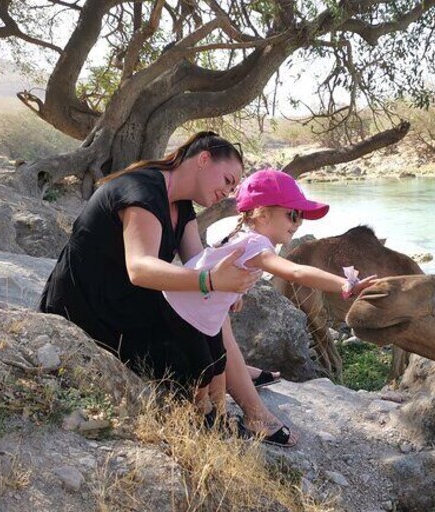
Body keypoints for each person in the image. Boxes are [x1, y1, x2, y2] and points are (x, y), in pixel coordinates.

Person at [38, 131, 284, 443]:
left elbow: (199, 263)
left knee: (210, 321)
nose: (229, 192)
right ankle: (233, 408)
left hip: (126, 300)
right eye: (227, 180)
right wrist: (211, 282)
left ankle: (234, 391)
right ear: (203, 159)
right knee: (192, 350)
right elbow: (140, 268)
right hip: (88, 305)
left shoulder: (181, 206)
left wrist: (227, 288)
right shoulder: (142, 191)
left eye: (234, 187)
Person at [163, 169, 377, 446]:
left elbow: (213, 263)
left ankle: (213, 424)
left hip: (190, 314)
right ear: (263, 214)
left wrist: (231, 294)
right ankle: (210, 428)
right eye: (293, 215)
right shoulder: (257, 244)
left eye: (301, 216)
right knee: (208, 375)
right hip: (187, 320)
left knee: (213, 372)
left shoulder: (238, 238)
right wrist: (346, 285)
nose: (298, 223)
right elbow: (296, 272)